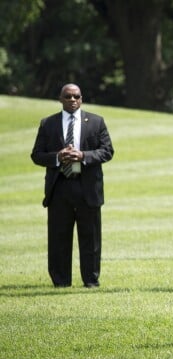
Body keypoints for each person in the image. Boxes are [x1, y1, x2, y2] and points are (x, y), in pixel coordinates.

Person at [31, 83, 114, 288]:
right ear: (60, 99)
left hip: (87, 187)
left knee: (91, 237)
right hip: (60, 188)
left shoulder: (96, 122)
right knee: (59, 237)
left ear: (81, 98)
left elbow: (107, 151)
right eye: (68, 96)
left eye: (76, 96)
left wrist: (83, 155)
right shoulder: (48, 124)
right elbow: (37, 155)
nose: (72, 100)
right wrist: (58, 157)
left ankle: (91, 280)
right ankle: (60, 281)